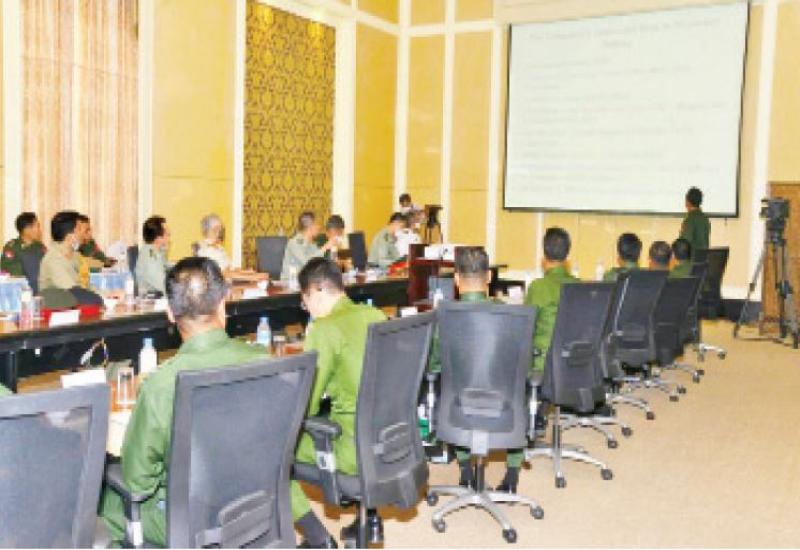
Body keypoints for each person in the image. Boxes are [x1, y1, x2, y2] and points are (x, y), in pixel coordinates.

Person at [100, 257, 267, 547]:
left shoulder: (161, 384)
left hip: (188, 519)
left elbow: (139, 481)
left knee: (105, 504)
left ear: (169, 313)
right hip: (253, 503)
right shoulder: (264, 361)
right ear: (223, 304)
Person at [291, 258, 386, 548]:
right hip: (386, 439)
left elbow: (305, 405)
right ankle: (370, 518)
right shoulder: (375, 315)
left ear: (316, 291)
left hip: (350, 448)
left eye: (305, 301)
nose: (308, 309)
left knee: (268, 450)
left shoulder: (325, 328)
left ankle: (317, 538)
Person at [428, 247, 527, 494]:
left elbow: (434, 364)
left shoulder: (443, 317)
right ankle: (512, 475)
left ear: (456, 279)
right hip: (504, 407)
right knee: (519, 387)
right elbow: (523, 367)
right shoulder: (513, 316)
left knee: (450, 386)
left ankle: (465, 472)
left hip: (460, 409)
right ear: (489, 277)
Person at [39, 211, 83, 291]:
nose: (82, 233)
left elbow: (86, 286)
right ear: (70, 236)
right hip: (64, 297)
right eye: (79, 229)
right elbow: (73, 290)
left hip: (79, 296)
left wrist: (104, 294)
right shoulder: (53, 259)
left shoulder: (76, 256)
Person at [281, 211, 333, 280]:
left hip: (306, 280)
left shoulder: (312, 244)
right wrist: (325, 247)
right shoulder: (295, 242)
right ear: (311, 226)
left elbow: (317, 262)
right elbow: (307, 262)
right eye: (317, 224)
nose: (319, 227)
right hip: (290, 282)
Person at [1, 212, 46, 277]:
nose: (38, 230)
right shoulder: (12, 247)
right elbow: (8, 270)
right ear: (26, 229)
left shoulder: (40, 246)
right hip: (20, 282)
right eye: (37, 226)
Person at [136, 216, 171, 296]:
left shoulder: (153, 250)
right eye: (167, 234)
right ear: (158, 238)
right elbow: (163, 285)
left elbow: (164, 264)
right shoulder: (150, 256)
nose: (169, 236)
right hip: (152, 297)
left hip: (156, 293)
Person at [680, 187, 710, 260]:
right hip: (703, 261)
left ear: (687, 202)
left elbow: (684, 244)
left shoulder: (690, 219)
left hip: (691, 262)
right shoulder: (705, 218)